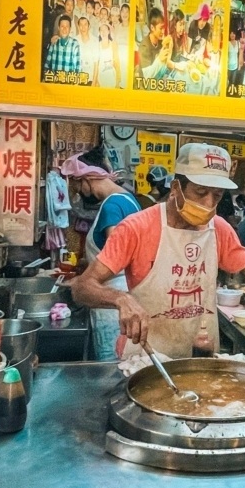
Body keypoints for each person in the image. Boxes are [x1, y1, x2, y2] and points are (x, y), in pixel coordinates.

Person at [72, 143, 245, 359]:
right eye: (200, 192)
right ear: (175, 188)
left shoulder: (218, 228)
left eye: (217, 196)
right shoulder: (136, 227)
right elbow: (82, 288)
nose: (208, 204)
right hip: (146, 357)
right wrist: (121, 299)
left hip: (201, 355)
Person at [62, 154, 141, 362]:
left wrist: (82, 282)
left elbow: (115, 259)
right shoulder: (128, 199)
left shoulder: (111, 207)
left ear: (87, 178)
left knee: (111, 372)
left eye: (77, 185)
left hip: (111, 304)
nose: (78, 191)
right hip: (126, 298)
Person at [137, 8, 169, 79]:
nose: (163, 31)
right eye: (161, 28)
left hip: (159, 78)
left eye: (163, 28)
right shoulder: (144, 46)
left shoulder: (160, 41)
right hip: (146, 85)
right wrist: (160, 59)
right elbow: (147, 75)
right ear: (152, 27)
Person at [96, 23, 120, 88]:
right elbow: (96, 66)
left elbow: (117, 64)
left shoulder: (113, 44)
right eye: (101, 30)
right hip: (100, 80)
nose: (103, 32)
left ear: (109, 31)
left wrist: (118, 81)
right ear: (99, 32)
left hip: (112, 78)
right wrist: (97, 82)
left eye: (105, 30)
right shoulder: (97, 46)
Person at [77, 17, 99, 84]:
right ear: (78, 27)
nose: (83, 27)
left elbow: (96, 64)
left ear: (89, 26)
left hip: (90, 79)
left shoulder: (95, 41)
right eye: (81, 25)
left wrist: (94, 83)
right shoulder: (75, 41)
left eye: (85, 24)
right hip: (78, 79)